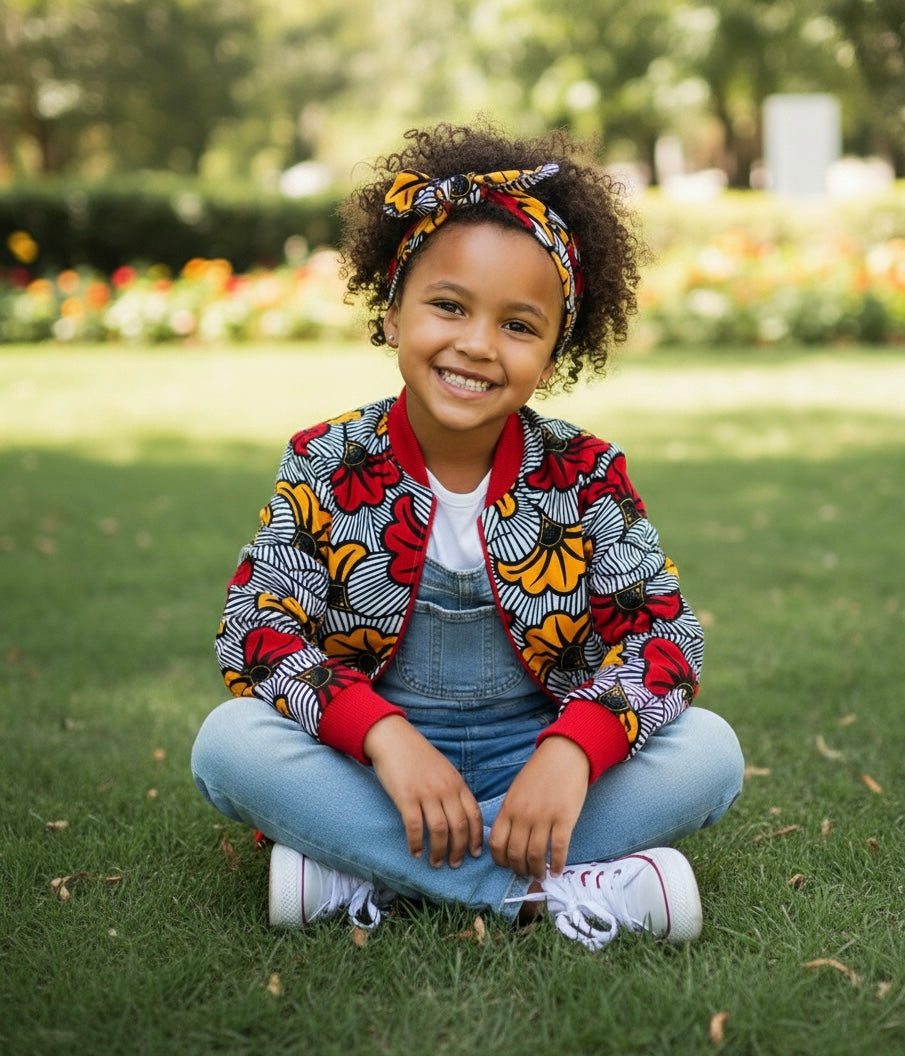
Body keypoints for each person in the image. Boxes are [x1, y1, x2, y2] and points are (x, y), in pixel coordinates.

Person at [191, 121, 744, 951]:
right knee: (226, 743)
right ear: (392, 311)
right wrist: (383, 736)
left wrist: (573, 753)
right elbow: (258, 631)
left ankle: (360, 870)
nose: (476, 345)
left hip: (541, 760)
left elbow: (665, 641)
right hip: (377, 769)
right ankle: (551, 890)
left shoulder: (587, 474)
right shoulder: (326, 461)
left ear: (556, 352)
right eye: (448, 306)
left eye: (519, 325)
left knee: (711, 752)